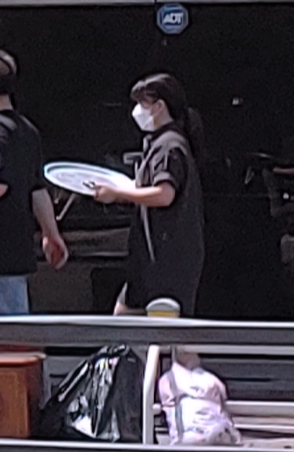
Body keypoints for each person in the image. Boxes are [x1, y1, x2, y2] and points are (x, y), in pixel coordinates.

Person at [89, 72, 207, 315]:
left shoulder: (169, 146)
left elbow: (164, 194)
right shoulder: (158, 143)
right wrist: (117, 187)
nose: (136, 111)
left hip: (167, 260)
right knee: (125, 316)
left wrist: (118, 194)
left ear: (159, 106)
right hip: (149, 260)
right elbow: (145, 187)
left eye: (142, 104)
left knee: (167, 330)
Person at [0, 48, 67, 315]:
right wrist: (51, 234)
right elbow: (37, 189)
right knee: (13, 329)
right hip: (15, 255)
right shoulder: (26, 130)